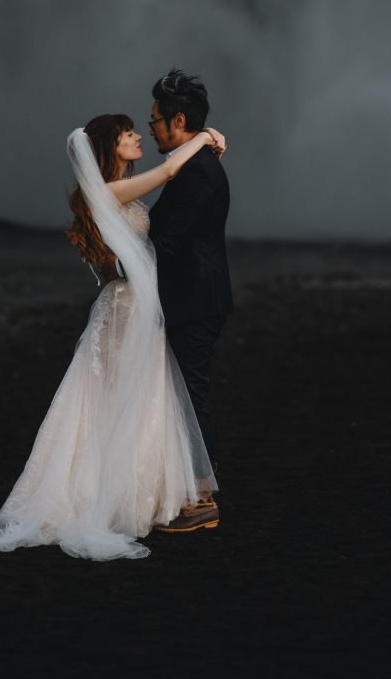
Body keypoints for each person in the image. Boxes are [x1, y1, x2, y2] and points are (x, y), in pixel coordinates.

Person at [0, 113, 225, 561]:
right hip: (127, 309)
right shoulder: (109, 192)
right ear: (111, 148)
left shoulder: (114, 194)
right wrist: (205, 137)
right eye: (128, 133)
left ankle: (140, 494)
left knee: (136, 398)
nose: (136, 136)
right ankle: (111, 497)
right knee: (118, 399)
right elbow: (169, 171)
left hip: (135, 306)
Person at [148, 69, 233, 533]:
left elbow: (171, 240)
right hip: (192, 297)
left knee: (191, 397)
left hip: (196, 301)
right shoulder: (191, 164)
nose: (152, 129)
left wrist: (120, 270)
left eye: (156, 121)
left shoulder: (197, 173)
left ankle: (202, 498)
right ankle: (188, 491)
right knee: (184, 394)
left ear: (179, 120)